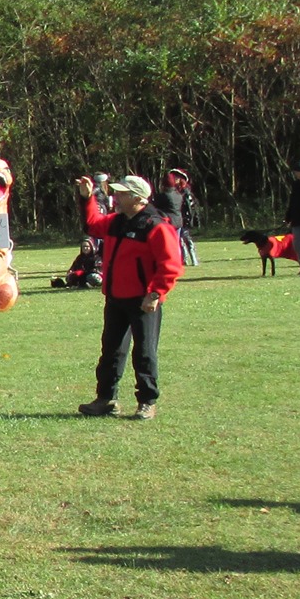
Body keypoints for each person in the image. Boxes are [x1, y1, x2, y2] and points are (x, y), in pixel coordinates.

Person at [74, 173, 183, 421]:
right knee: (111, 351)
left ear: (137, 198)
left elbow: (170, 265)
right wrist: (87, 197)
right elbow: (92, 224)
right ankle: (106, 399)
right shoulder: (116, 221)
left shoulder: (156, 226)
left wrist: (155, 293)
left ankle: (147, 402)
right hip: (116, 298)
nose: (116, 197)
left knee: (144, 352)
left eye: (121, 194)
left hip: (144, 301)